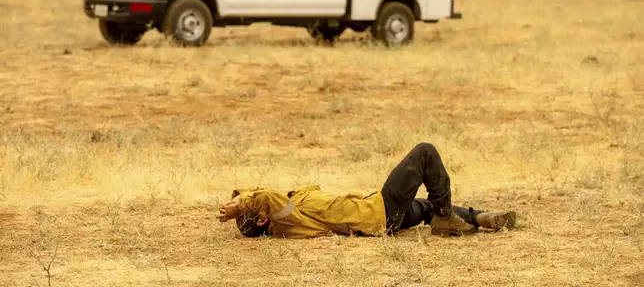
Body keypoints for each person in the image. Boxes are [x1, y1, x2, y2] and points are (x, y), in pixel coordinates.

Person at [217, 142, 517, 238]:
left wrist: (245, 203)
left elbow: (265, 195)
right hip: (380, 212)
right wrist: (242, 205)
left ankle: (479, 218)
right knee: (425, 153)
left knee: (425, 207)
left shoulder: (288, 213)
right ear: (260, 218)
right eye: (254, 205)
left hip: (381, 216)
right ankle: (444, 217)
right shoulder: (285, 216)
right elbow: (265, 196)